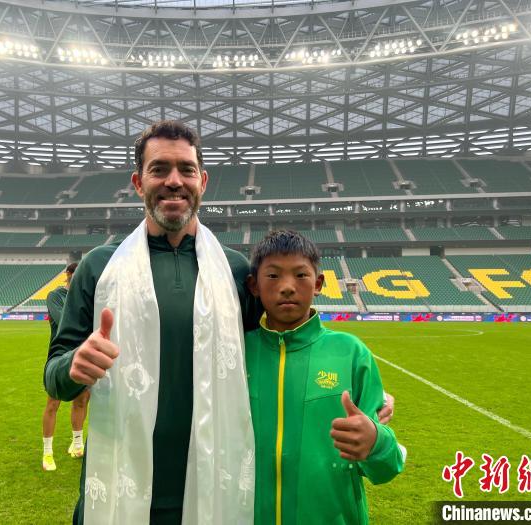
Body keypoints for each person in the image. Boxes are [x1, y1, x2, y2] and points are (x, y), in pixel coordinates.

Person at [44, 120, 259, 524]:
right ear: (138, 182)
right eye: (159, 169)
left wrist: (362, 391)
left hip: (213, 487)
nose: (174, 181)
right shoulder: (99, 267)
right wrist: (75, 365)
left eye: (186, 169)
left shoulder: (235, 270)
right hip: (118, 487)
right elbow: (54, 375)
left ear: (202, 181)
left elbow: (273, 357)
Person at [245, 230, 404, 524]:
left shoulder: (350, 353)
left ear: (318, 284)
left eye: (300, 275)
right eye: (273, 276)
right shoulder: (236, 353)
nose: (287, 287)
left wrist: (376, 442)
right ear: (254, 285)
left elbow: (386, 468)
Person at [41, 262, 90, 472]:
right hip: (60, 355)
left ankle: (77, 444)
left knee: (82, 400)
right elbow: (64, 322)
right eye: (76, 274)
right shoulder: (56, 296)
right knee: (53, 403)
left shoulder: (85, 297)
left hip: (81, 355)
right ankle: (47, 453)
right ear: (68, 274)